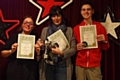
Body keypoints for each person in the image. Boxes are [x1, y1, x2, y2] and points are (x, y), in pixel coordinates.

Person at [37, 6, 76, 80]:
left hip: (63, 65)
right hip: (48, 65)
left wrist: (62, 53)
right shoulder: (45, 30)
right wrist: (40, 45)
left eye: (58, 15)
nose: (56, 18)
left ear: (62, 16)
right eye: (53, 16)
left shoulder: (69, 30)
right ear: (51, 18)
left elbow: (73, 49)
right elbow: (42, 50)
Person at [73, 1, 110, 80]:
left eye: (88, 9)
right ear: (80, 12)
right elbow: (72, 48)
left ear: (92, 11)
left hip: (94, 66)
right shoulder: (76, 29)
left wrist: (104, 41)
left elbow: (105, 47)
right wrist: (76, 47)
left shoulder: (100, 27)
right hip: (80, 66)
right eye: (83, 10)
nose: (86, 12)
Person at [0, 16, 40, 80]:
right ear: (22, 25)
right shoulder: (14, 37)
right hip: (14, 72)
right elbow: (2, 53)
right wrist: (11, 51)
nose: (28, 25)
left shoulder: (36, 40)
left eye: (30, 23)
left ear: (33, 27)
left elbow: (38, 60)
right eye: (26, 23)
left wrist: (38, 52)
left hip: (30, 73)